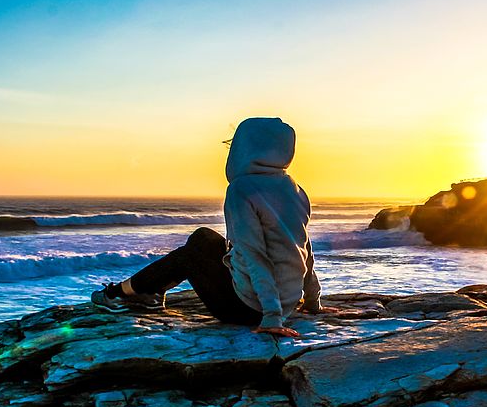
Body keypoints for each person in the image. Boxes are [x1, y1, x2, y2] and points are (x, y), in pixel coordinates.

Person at [90, 117, 323, 338]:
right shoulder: (294, 189)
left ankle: (119, 294)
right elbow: (303, 246)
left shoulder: (241, 189)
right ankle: (148, 292)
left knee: (188, 256)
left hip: (249, 309)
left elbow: (255, 254)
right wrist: (312, 302)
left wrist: (271, 318)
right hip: (287, 303)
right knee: (203, 237)